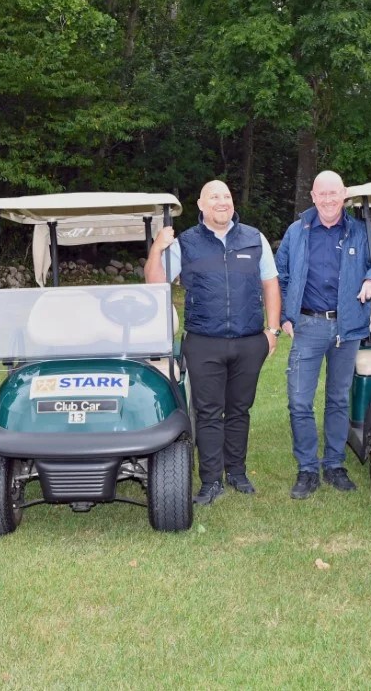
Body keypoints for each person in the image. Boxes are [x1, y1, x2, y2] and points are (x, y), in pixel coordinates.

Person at [144, 180, 282, 505]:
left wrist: (272, 330)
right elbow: (154, 283)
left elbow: (271, 283)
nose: (222, 202)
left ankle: (237, 472)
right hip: (204, 342)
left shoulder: (253, 238)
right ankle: (210, 481)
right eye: (214, 197)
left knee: (239, 410)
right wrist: (157, 247)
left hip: (249, 341)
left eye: (227, 196)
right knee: (207, 413)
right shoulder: (186, 243)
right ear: (201, 206)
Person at [275, 171, 371, 499]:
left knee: (338, 398)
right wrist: (286, 316)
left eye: (334, 193)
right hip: (308, 326)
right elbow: (281, 274)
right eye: (322, 194)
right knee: (300, 401)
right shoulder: (296, 232)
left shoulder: (361, 231)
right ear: (313, 197)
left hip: (348, 327)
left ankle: (334, 464)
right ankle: (306, 469)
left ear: (344, 195)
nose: (328, 199)